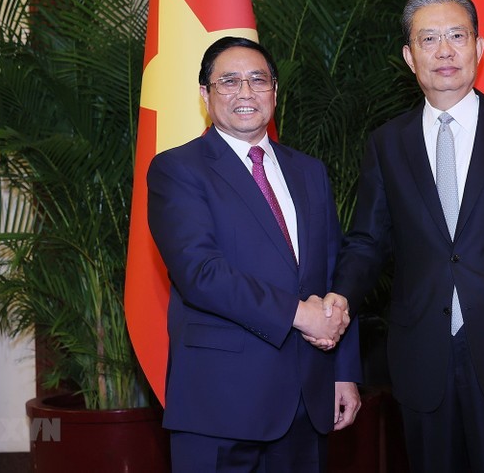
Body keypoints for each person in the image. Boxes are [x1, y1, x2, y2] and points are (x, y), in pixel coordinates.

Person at [324, 0, 484, 473]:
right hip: (421, 353)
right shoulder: (386, 143)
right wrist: (340, 297)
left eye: (457, 36)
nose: (444, 51)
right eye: (429, 39)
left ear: (479, 48)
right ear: (409, 55)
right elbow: (368, 240)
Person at [147, 36, 362, 473]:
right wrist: (299, 314)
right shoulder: (177, 169)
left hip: (307, 399)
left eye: (257, 80)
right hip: (220, 404)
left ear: (275, 93)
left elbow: (334, 273)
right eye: (229, 81)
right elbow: (201, 273)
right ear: (205, 95)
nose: (245, 92)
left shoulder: (309, 172)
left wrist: (344, 370)